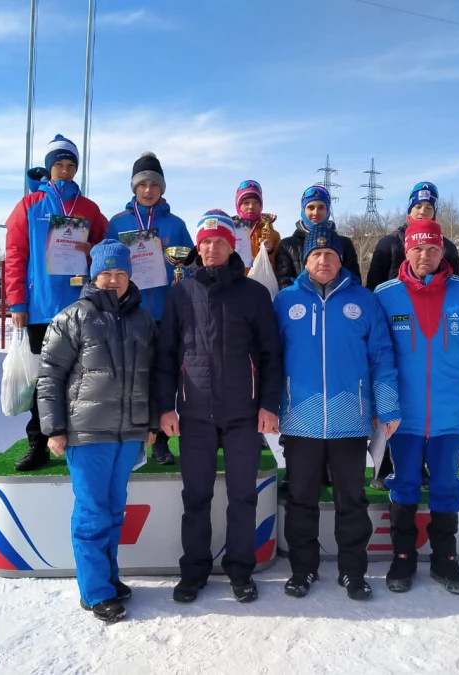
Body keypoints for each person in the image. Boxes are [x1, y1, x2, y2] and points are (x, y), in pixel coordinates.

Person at [156, 209, 282, 604]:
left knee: (243, 495)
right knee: (196, 496)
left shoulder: (254, 293)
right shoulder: (181, 292)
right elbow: (166, 354)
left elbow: (271, 354)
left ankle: (240, 571)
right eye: (206, 242)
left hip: (244, 413)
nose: (212, 248)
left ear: (233, 247)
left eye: (220, 242)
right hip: (195, 413)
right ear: (198, 246)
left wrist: (269, 405)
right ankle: (193, 571)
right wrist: (165, 407)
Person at [274, 223, 401, 601]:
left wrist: (387, 405)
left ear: (341, 259)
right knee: (301, 500)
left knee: (352, 501)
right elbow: (270, 359)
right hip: (301, 419)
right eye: (316, 254)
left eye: (330, 255)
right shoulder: (284, 302)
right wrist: (269, 405)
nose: (324, 261)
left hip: (350, 418)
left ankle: (353, 571)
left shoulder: (364, 301)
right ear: (306, 260)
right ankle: (303, 569)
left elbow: (382, 357)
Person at [36, 240, 158, 624]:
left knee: (113, 511)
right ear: (94, 275)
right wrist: (53, 429)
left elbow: (153, 378)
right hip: (87, 433)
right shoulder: (72, 317)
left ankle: (109, 577)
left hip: (128, 434)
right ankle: (95, 591)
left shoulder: (143, 319)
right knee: (91, 513)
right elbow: (50, 377)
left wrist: (151, 424)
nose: (113, 280)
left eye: (120, 273)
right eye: (106, 273)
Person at [375, 218, 459, 595]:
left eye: (432, 249)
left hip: (449, 415)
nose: (424, 256)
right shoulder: (386, 295)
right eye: (417, 249)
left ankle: (446, 559)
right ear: (406, 251)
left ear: (442, 252)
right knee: (405, 485)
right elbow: (378, 357)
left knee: (446, 485)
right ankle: (403, 558)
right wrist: (383, 406)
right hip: (403, 417)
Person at [5, 134, 109, 472]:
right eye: (58, 165)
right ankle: (39, 442)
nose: (65, 171)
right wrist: (17, 303)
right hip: (40, 308)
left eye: (70, 165)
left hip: (82, 305)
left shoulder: (89, 209)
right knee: (43, 379)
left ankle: (78, 438)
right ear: (49, 169)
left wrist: (92, 248)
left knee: (81, 376)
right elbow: (15, 256)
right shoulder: (29, 205)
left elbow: (109, 253)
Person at [367, 181, 459, 490]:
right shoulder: (388, 243)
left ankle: (423, 467)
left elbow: (455, 289)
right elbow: (372, 288)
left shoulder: (446, 246)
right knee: (389, 398)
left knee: (425, 404)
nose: (423, 211)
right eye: (418, 206)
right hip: (393, 328)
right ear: (409, 210)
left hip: (429, 331)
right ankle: (383, 467)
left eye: (429, 207)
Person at [106, 152, 193, 466]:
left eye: (154, 184)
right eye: (142, 183)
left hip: (166, 314)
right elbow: (105, 263)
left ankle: (161, 440)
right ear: (134, 187)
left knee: (163, 376)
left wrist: (179, 279)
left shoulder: (176, 224)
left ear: (162, 188)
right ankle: (129, 436)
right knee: (129, 377)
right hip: (129, 313)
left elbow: (191, 265)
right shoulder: (117, 223)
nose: (148, 189)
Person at [274, 185, 362, 289]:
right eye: (310, 207)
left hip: (337, 302)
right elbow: (284, 282)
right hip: (299, 303)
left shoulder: (344, 243)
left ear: (328, 210)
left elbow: (353, 280)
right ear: (303, 210)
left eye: (321, 207)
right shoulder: (287, 245)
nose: (316, 212)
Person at [231, 180, 281, 271]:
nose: (251, 206)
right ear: (238, 205)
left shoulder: (272, 234)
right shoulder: (230, 230)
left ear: (261, 205)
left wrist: (270, 252)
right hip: (235, 282)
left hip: (263, 282)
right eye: (246, 203)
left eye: (255, 203)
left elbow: (281, 266)